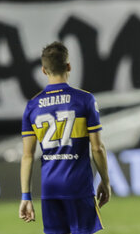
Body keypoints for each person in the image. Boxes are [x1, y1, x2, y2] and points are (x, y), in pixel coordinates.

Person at [18, 41, 111, 234]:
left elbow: (27, 156)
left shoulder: (32, 106)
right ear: (69, 66)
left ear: (44, 70)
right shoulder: (84, 99)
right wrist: (105, 181)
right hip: (78, 186)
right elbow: (97, 148)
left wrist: (26, 196)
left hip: (50, 189)